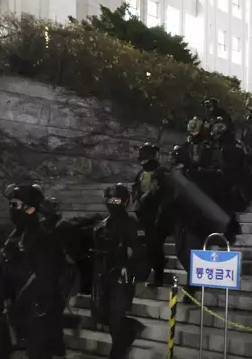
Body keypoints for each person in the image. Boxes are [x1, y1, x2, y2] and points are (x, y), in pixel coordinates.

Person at [0, 183, 68, 359]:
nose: (13, 209)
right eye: (12, 204)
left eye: (17, 205)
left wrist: (19, 306)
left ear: (30, 209)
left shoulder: (44, 240)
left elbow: (44, 279)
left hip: (35, 313)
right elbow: (3, 274)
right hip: (10, 310)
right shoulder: (13, 237)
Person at [91, 184, 148, 359]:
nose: (113, 203)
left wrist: (139, 278)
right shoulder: (101, 226)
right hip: (104, 277)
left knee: (116, 318)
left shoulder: (132, 224)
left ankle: (118, 354)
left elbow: (141, 252)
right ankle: (131, 330)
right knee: (104, 316)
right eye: (110, 199)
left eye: (116, 199)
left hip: (122, 278)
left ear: (124, 202)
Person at [132, 142, 172, 288]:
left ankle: (158, 277)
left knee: (155, 247)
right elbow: (136, 190)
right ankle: (146, 273)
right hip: (144, 216)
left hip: (158, 215)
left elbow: (165, 193)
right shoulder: (140, 174)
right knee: (147, 247)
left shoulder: (162, 172)